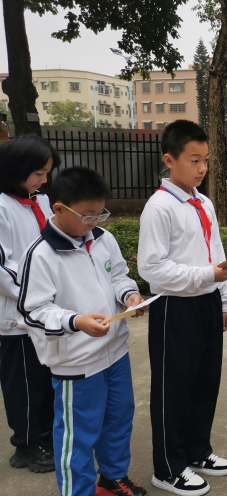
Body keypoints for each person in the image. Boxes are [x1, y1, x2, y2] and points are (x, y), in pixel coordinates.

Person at [16, 166, 148, 496]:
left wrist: (129, 295)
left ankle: (113, 478)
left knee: (119, 419)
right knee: (78, 435)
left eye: (100, 213)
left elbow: (119, 275)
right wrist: (76, 321)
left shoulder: (103, 239)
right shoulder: (41, 254)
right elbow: (34, 311)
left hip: (115, 352)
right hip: (77, 363)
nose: (94, 222)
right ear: (59, 209)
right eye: (88, 215)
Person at [138, 120, 227, 496]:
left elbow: (217, 254)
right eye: (194, 160)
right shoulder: (159, 207)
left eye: (205, 160)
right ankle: (167, 467)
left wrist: (223, 298)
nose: (202, 168)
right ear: (169, 160)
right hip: (175, 308)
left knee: (205, 382)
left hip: (207, 302)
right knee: (174, 388)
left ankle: (198, 451)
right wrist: (207, 275)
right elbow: (152, 269)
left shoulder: (203, 202)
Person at [0, 135, 60, 474]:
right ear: (17, 169)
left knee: (45, 379)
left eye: (47, 172)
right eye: (38, 173)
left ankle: (45, 435)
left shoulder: (40, 201)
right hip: (16, 315)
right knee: (23, 383)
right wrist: (33, 292)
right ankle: (25, 444)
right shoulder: (2, 206)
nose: (44, 180)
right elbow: (3, 266)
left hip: (45, 310)